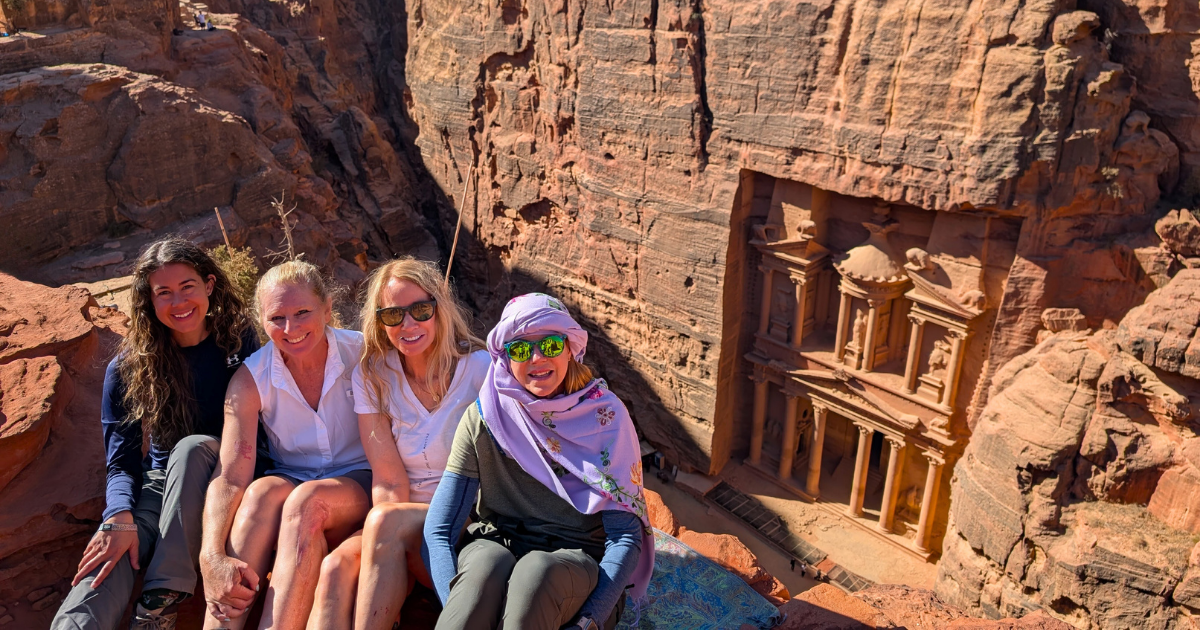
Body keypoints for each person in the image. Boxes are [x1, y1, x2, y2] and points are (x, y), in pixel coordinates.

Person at [52, 238, 260, 630]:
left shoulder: (238, 342)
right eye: (164, 292)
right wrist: (118, 517)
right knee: (113, 552)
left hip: (230, 478)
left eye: (187, 287)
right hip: (161, 487)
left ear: (209, 286)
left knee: (192, 447)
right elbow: (121, 461)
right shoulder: (129, 367)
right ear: (149, 299)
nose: (178, 302)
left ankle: (158, 606)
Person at [424, 293, 654, 630]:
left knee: (536, 573)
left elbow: (624, 538)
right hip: (497, 544)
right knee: (483, 568)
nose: (536, 358)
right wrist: (457, 605)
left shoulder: (606, 420)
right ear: (505, 358)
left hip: (577, 565)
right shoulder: (485, 419)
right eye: (519, 348)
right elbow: (439, 530)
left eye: (550, 344)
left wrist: (589, 622)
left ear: (569, 348)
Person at [308, 259, 489, 629]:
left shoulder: (480, 369)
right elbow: (389, 481)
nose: (408, 325)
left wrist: (397, 531)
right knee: (334, 567)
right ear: (379, 321)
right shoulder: (374, 375)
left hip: (465, 516)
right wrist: (395, 542)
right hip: (399, 516)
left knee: (385, 522)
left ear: (440, 307)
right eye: (393, 315)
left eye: (420, 310)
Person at [199, 260, 371, 630]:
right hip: (292, 477)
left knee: (307, 503)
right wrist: (210, 554)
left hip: (363, 478)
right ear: (261, 320)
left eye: (303, 312)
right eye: (277, 318)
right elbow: (230, 475)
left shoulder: (364, 355)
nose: (291, 329)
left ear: (327, 309)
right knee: (260, 493)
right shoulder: (251, 378)